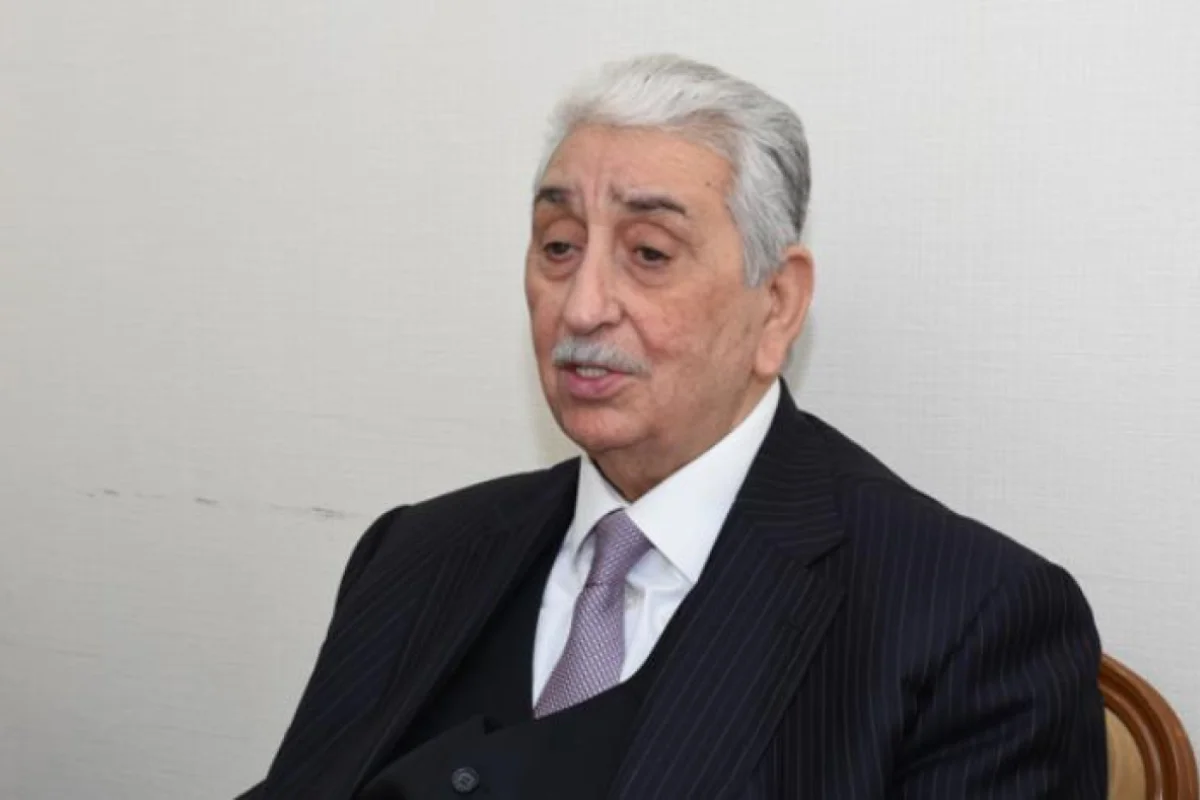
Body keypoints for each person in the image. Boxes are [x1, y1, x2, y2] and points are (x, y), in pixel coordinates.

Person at [240, 54, 1107, 799]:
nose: (583, 305)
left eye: (649, 254)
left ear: (778, 305)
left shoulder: (967, 623)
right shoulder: (418, 552)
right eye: (558, 245)